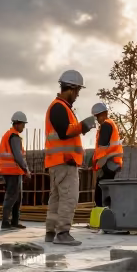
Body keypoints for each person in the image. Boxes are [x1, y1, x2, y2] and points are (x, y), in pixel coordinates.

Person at [44, 70, 97, 246]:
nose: (77, 95)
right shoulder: (59, 107)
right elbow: (64, 131)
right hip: (65, 162)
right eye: (77, 91)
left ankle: (51, 231)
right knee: (68, 198)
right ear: (72, 89)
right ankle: (63, 233)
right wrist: (83, 126)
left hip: (58, 162)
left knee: (57, 199)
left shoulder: (59, 107)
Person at [0, 111, 29, 230]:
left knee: (17, 197)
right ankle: (5, 223)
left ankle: (14, 221)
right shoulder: (14, 136)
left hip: (12, 171)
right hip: (12, 170)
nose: (24, 127)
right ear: (17, 123)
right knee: (11, 196)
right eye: (23, 124)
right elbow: (18, 156)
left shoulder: (9, 135)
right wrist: (26, 170)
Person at [90, 101, 123, 207]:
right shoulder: (110, 124)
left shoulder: (106, 125)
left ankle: (102, 217)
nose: (97, 119)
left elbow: (102, 148)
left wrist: (99, 165)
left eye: (97, 116)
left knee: (100, 194)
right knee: (106, 192)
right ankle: (106, 214)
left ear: (103, 114)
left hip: (107, 164)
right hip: (111, 163)